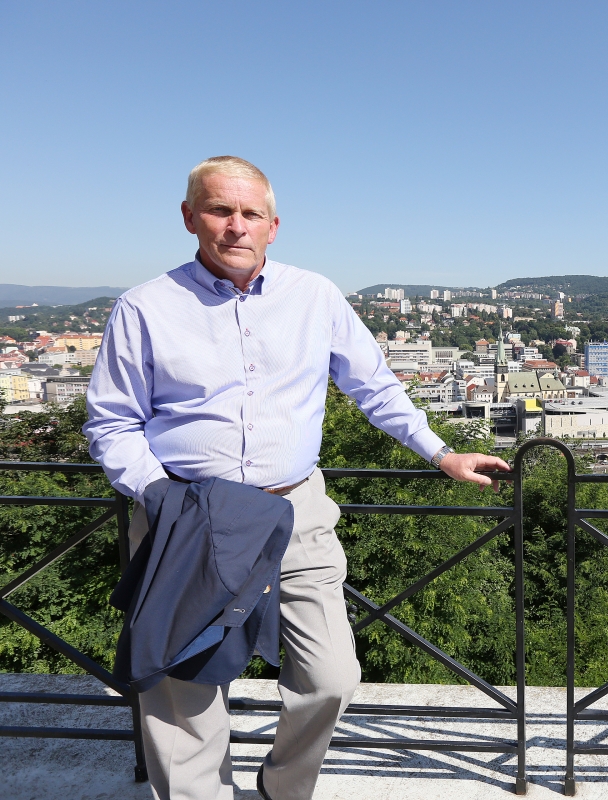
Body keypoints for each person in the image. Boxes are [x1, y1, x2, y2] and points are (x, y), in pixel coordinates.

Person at [84, 155, 510, 800]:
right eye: (220, 210)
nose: (235, 226)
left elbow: (376, 387)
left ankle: (283, 789)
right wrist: (162, 497)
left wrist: (439, 452)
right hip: (186, 514)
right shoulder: (145, 307)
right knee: (184, 694)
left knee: (330, 676)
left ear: (273, 225)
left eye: (250, 213)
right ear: (189, 217)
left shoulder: (314, 296)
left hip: (295, 512)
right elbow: (112, 422)